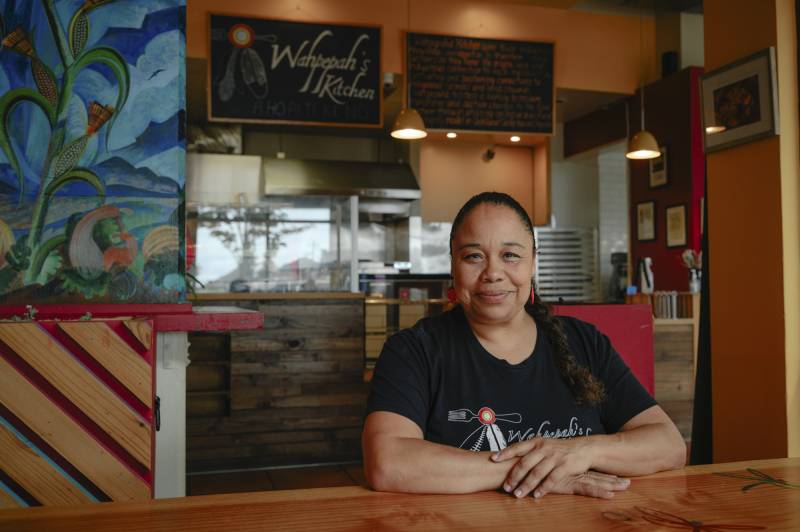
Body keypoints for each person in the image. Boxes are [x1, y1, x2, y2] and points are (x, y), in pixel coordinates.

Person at [362, 191, 685, 499]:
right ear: (453, 266)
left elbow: (668, 445)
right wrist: (535, 471)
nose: (492, 273)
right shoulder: (413, 351)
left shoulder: (584, 342)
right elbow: (388, 463)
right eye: (473, 256)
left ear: (533, 263)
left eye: (510, 255)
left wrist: (581, 451)